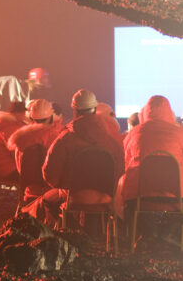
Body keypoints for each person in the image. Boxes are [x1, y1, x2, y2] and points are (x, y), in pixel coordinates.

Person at [40, 89, 126, 228]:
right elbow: (120, 170)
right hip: (105, 199)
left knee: (48, 199)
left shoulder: (64, 139)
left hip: (72, 198)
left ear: (75, 110)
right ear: (95, 109)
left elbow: (49, 174)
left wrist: (65, 187)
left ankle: (62, 235)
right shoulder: (110, 142)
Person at [117, 95, 183, 222]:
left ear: (145, 112)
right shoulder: (179, 133)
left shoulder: (134, 134)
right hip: (177, 196)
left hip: (139, 196)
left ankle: (139, 234)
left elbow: (126, 160)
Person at [0, 101, 28, 182]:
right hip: (10, 170)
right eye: (24, 112)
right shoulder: (9, 129)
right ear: (19, 114)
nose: (25, 115)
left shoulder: (2, 125)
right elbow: (17, 153)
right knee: (39, 175)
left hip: (1, 168)